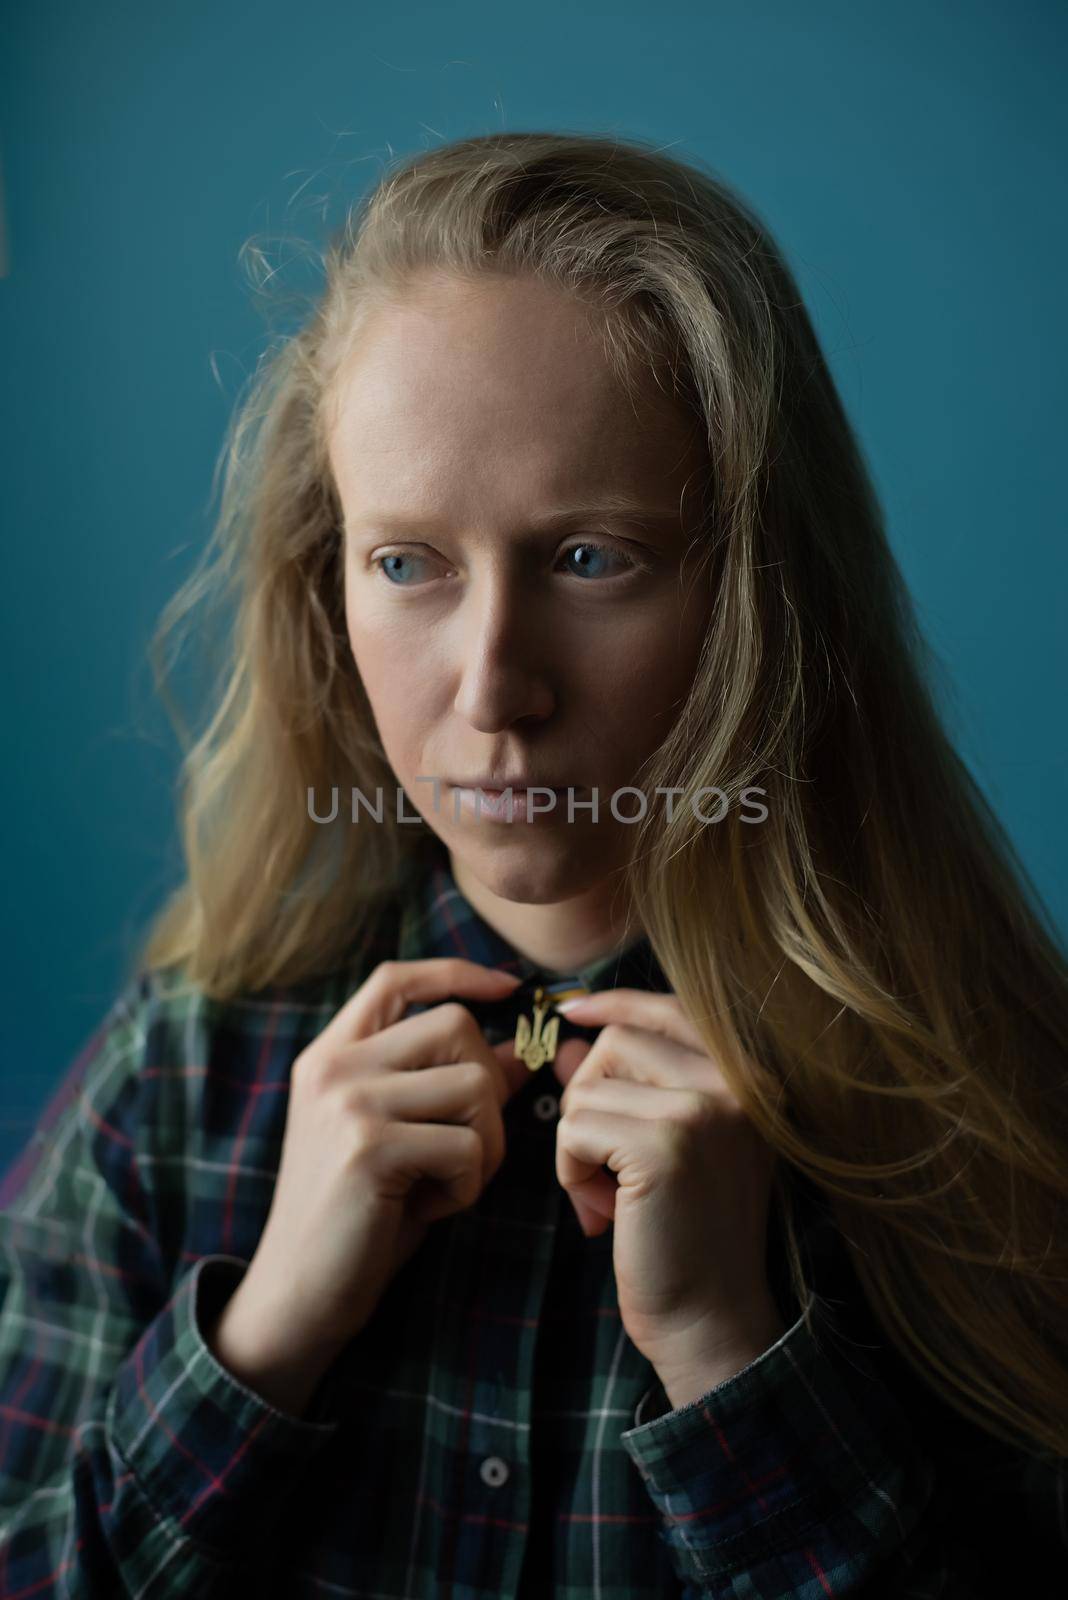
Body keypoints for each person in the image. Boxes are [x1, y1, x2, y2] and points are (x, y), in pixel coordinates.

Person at [0, 130, 1065, 1599]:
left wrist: (730, 1353)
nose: (496, 689)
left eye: (590, 559)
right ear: (329, 581)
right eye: (407, 562)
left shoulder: (991, 1105)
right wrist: (262, 1343)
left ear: (755, 590)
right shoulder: (179, 1079)